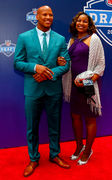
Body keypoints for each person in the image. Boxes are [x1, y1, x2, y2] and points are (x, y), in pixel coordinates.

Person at [14, 5, 71, 177]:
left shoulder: (60, 39)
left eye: (51, 14)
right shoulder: (24, 37)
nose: (48, 17)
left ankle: (54, 155)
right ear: (36, 16)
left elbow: (66, 64)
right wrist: (35, 67)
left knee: (55, 125)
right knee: (32, 127)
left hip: (53, 90)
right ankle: (33, 159)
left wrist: (47, 74)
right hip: (32, 90)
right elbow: (17, 63)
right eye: (44, 14)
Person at [58, 12, 105, 165]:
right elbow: (69, 63)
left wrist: (87, 80)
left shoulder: (95, 38)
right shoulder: (71, 40)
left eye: (85, 21)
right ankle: (79, 146)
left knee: (90, 117)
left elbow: (100, 65)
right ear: (75, 23)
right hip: (72, 83)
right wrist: (61, 62)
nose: (81, 23)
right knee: (75, 117)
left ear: (89, 24)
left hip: (88, 83)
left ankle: (87, 150)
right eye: (79, 21)